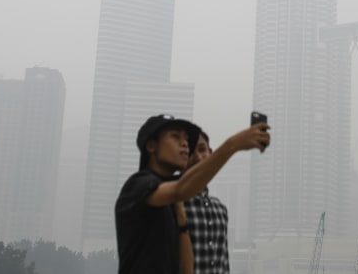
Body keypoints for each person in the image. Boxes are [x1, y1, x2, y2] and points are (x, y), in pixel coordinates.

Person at [115, 114, 270, 274]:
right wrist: (233, 145)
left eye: (186, 140)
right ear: (152, 146)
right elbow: (180, 189)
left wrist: (182, 222)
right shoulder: (137, 185)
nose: (185, 145)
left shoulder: (176, 201)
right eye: (175, 137)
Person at [184, 130, 230, 274]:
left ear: (211, 153)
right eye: (190, 152)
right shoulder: (171, 204)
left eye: (202, 150)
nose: (198, 157)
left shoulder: (220, 209)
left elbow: (223, 263)